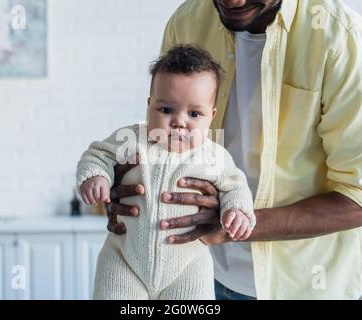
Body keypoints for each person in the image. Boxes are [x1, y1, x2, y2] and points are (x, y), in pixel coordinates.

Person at [103, 0, 362, 300]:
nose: (233, 2)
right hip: (196, 278)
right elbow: (166, 136)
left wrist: (234, 223)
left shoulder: (341, 39)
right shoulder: (187, 21)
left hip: (303, 289)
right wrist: (126, 184)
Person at [76, 45, 255, 299]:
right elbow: (97, 155)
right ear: (150, 105)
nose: (179, 121)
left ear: (211, 116)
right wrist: (96, 176)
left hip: (187, 266)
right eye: (166, 110)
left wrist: (237, 211)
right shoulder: (132, 139)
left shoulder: (213, 155)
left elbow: (234, 186)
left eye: (194, 113)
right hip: (124, 260)